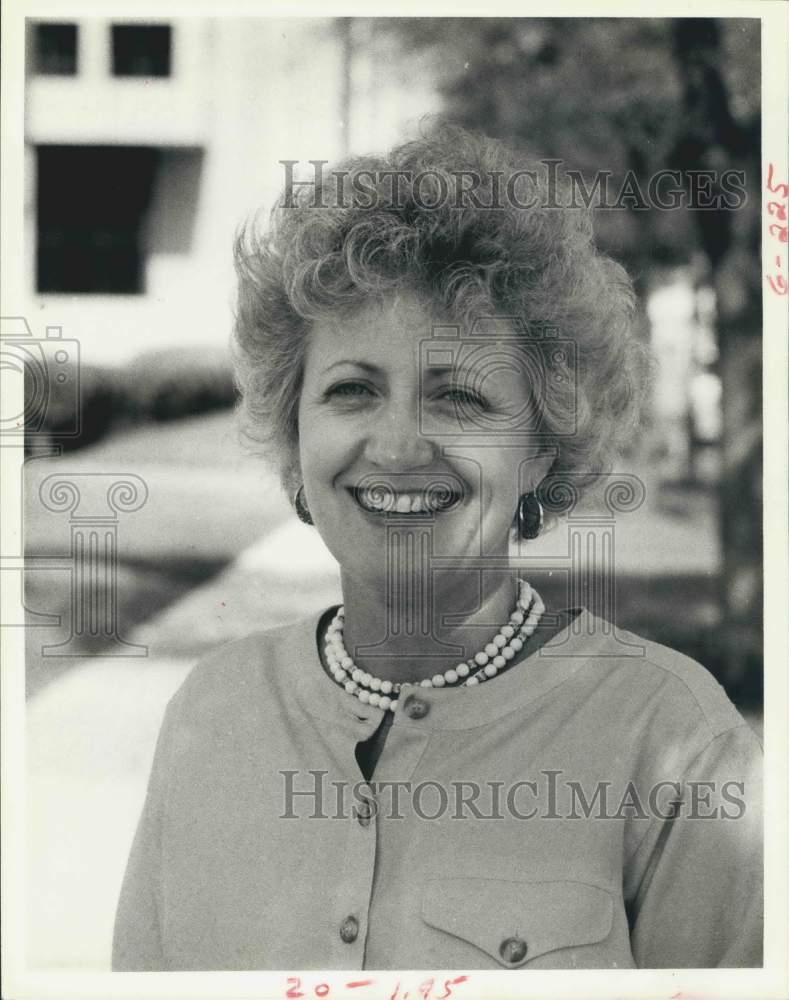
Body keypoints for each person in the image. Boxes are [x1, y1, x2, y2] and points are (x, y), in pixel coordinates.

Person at [112, 124, 762, 971]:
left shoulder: (673, 740)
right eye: (351, 390)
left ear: (541, 447)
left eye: (458, 397)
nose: (396, 447)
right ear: (293, 429)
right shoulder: (210, 713)